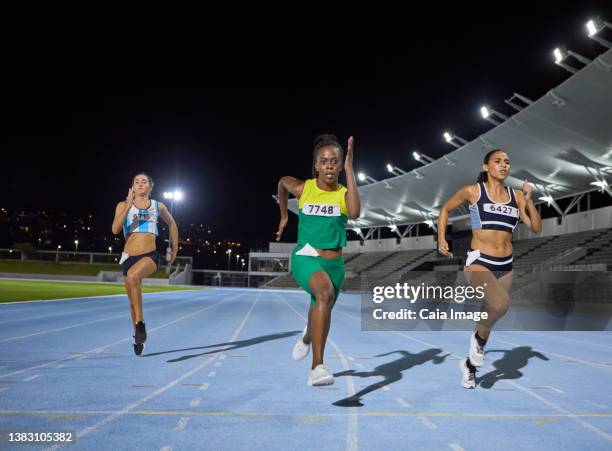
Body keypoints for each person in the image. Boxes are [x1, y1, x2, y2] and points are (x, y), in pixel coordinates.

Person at [437, 149, 542, 388]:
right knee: (500, 304)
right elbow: (445, 210)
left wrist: (529, 199)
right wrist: (441, 239)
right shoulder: (473, 191)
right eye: (498, 161)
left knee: (491, 312)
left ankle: (470, 366)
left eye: (507, 162)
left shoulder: (516, 196)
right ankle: (477, 341)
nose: (503, 165)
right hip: (479, 261)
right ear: (486, 167)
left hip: (505, 264)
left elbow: (536, 228)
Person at [276, 134, 361, 386]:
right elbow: (281, 182)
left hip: (334, 265)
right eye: (324, 161)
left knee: (321, 307)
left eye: (335, 161)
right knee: (323, 294)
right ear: (316, 166)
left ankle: (306, 337)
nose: (330, 165)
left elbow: (355, 213)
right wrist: (284, 215)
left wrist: (350, 170)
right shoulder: (304, 189)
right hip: (306, 257)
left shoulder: (345, 195)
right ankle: (317, 368)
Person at [111, 172, 179, 355]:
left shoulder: (158, 206)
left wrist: (174, 249)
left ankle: (140, 323)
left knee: (133, 277)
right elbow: (115, 229)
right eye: (136, 182)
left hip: (149, 255)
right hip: (128, 256)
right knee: (132, 303)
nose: (140, 184)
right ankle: (137, 337)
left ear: (150, 187)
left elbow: (172, 224)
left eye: (144, 182)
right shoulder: (122, 205)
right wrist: (127, 205)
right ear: (132, 187)